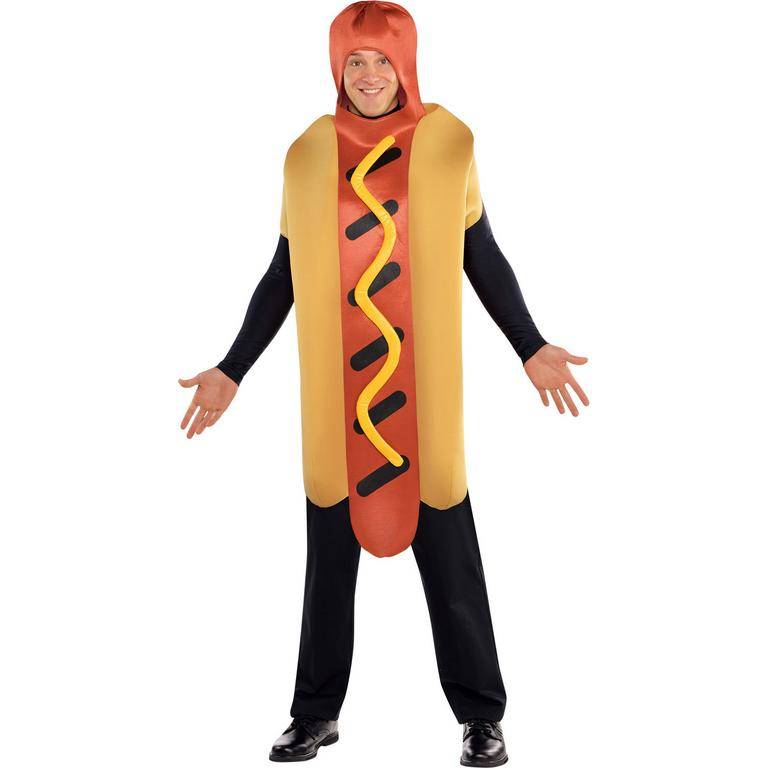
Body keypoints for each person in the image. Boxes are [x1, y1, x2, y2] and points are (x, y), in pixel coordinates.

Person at [178, 2, 588, 765]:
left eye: (381, 61)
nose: (368, 76)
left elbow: (480, 252)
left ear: (407, 65)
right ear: (338, 68)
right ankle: (315, 713)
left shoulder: (448, 142)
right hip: (334, 399)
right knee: (328, 569)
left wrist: (529, 344)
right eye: (354, 62)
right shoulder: (307, 153)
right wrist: (231, 369)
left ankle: (481, 716)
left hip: (425, 398)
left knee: (454, 568)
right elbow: (283, 273)